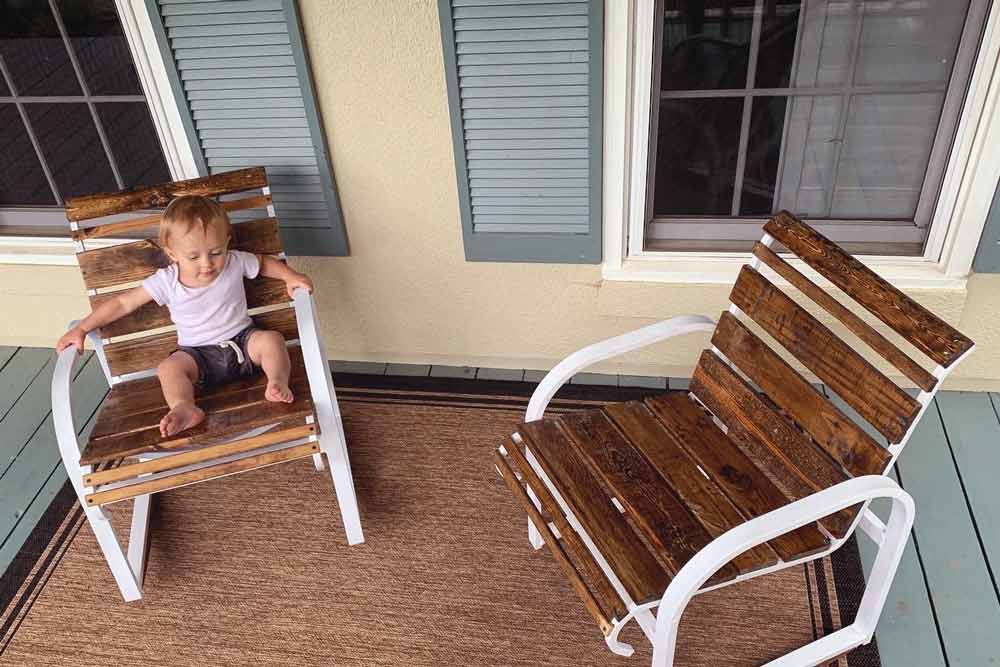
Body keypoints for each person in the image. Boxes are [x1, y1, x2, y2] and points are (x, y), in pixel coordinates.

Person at [56, 196, 313, 438]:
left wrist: (289, 276)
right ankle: (184, 407)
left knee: (271, 340)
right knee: (169, 368)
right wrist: (82, 328)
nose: (207, 264)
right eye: (193, 257)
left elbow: (264, 263)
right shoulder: (167, 281)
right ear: (172, 254)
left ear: (227, 242)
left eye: (216, 252)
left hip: (244, 342)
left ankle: (277, 383)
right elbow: (123, 303)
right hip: (197, 355)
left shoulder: (235, 261)